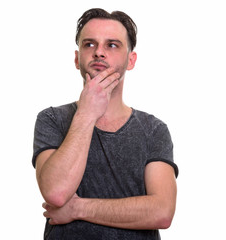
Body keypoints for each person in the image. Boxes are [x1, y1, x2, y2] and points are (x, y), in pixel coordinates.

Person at [32, 8, 178, 240]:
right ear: (77, 58)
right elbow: (56, 193)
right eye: (89, 44)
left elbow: (162, 212)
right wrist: (87, 114)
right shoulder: (51, 119)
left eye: (112, 45)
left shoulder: (153, 129)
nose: (99, 52)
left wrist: (78, 209)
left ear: (131, 60)